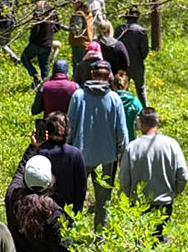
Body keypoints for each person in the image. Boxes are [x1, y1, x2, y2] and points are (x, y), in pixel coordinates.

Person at [118, 108, 188, 252]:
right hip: (164, 202)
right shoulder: (171, 144)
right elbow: (183, 175)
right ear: (157, 122)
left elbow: (124, 179)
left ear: (141, 124)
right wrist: (174, 191)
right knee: (159, 241)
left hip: (139, 204)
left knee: (140, 240)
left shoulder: (132, 147)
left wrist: (130, 195)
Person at [65, 61, 129, 230]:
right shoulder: (114, 99)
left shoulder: (78, 96)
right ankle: (100, 235)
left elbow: (69, 127)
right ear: (109, 76)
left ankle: (71, 234)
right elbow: (122, 132)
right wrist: (122, 154)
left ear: (91, 74)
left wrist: (67, 149)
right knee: (103, 200)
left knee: (75, 198)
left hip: (80, 156)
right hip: (107, 157)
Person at [20, 112, 87, 216]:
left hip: (43, 207)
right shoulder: (75, 154)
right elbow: (81, 186)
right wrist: (78, 210)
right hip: (67, 209)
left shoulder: (40, 151)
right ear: (67, 130)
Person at [19, 0, 56, 85]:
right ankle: (45, 85)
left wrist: (31, 39)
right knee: (44, 65)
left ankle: (35, 77)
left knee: (24, 58)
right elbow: (57, 27)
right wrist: (49, 34)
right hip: (48, 43)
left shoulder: (38, 11)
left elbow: (36, 29)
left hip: (37, 43)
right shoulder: (52, 11)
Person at [117, 7, 150, 99]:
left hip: (123, 64)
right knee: (141, 90)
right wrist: (139, 59)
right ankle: (144, 107)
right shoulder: (141, 30)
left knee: (123, 90)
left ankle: (123, 107)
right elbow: (145, 50)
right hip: (137, 64)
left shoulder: (119, 29)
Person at [110, 64, 143, 136]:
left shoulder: (108, 101)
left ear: (113, 85)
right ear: (127, 85)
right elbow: (140, 124)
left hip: (111, 139)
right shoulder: (135, 102)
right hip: (130, 138)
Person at [96, 20, 130, 84]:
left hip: (98, 80)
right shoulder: (119, 45)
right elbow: (126, 63)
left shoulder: (95, 45)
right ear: (110, 30)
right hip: (116, 80)